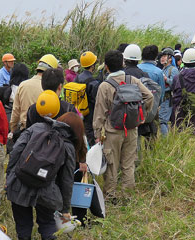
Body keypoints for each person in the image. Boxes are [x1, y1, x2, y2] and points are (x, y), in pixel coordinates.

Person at [6, 94, 76, 240]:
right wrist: (65, 207)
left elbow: (15, 153)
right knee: (46, 220)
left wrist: (10, 178)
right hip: (47, 189)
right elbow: (67, 179)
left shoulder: (31, 130)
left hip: (20, 184)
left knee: (23, 222)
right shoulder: (66, 141)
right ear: (59, 110)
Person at [92, 50, 153, 200]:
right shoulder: (132, 80)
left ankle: (110, 195)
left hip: (112, 131)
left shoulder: (105, 86)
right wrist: (142, 117)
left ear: (106, 67)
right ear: (123, 64)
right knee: (129, 163)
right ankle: (128, 195)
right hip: (131, 129)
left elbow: (99, 113)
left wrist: (97, 134)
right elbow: (149, 96)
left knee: (112, 165)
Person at [9, 54, 58, 136]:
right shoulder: (49, 87)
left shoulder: (23, 85)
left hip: (25, 130)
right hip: (44, 131)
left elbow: (16, 111)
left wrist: (13, 130)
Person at [171, 48, 195, 134]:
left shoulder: (177, 78)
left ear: (184, 61)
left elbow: (173, 92)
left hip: (180, 114)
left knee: (180, 138)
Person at [75, 51, 101, 146]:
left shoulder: (77, 78)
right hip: (89, 114)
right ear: (93, 65)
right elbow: (97, 100)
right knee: (90, 138)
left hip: (77, 112)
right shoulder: (93, 82)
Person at [159, 47, 179, 135]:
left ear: (170, 58)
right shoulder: (163, 69)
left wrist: (166, 79)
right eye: (161, 56)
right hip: (162, 98)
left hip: (167, 99)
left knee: (162, 121)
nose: (162, 58)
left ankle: (165, 141)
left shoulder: (173, 70)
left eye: (164, 56)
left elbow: (175, 84)